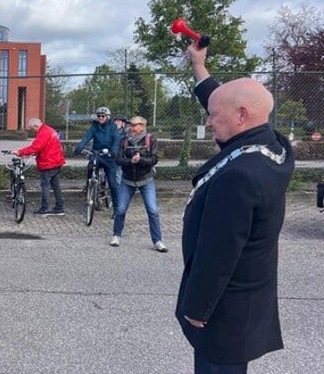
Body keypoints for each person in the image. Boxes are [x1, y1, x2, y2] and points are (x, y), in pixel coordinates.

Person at [176, 44, 294, 373]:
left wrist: (197, 308)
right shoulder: (273, 145)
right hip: (247, 300)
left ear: (241, 116)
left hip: (223, 311)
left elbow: (219, 253)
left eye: (213, 116)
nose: (209, 121)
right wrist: (199, 66)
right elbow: (224, 101)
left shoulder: (239, 176)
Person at [111, 116, 166, 251]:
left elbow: (154, 159)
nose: (131, 127)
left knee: (152, 210)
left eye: (134, 125)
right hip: (127, 180)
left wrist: (140, 160)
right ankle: (116, 235)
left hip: (146, 180)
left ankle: (157, 240)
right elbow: (117, 159)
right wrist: (131, 161)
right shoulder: (123, 140)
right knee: (120, 209)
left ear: (142, 126)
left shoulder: (150, 139)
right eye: (130, 125)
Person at [11, 118, 65, 216]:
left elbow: (36, 146)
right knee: (56, 186)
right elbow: (46, 146)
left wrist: (19, 152)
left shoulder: (43, 132)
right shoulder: (50, 130)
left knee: (45, 186)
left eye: (32, 129)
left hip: (48, 163)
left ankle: (44, 209)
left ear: (36, 126)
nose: (33, 131)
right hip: (57, 161)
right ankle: (59, 208)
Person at [73, 106, 121, 215]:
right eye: (99, 115)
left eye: (103, 116)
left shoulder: (113, 127)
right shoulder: (94, 126)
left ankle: (117, 209)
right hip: (97, 154)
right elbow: (87, 136)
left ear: (107, 117)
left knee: (113, 183)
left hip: (108, 156)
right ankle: (89, 189)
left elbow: (116, 139)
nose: (100, 117)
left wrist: (113, 151)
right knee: (90, 168)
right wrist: (79, 147)